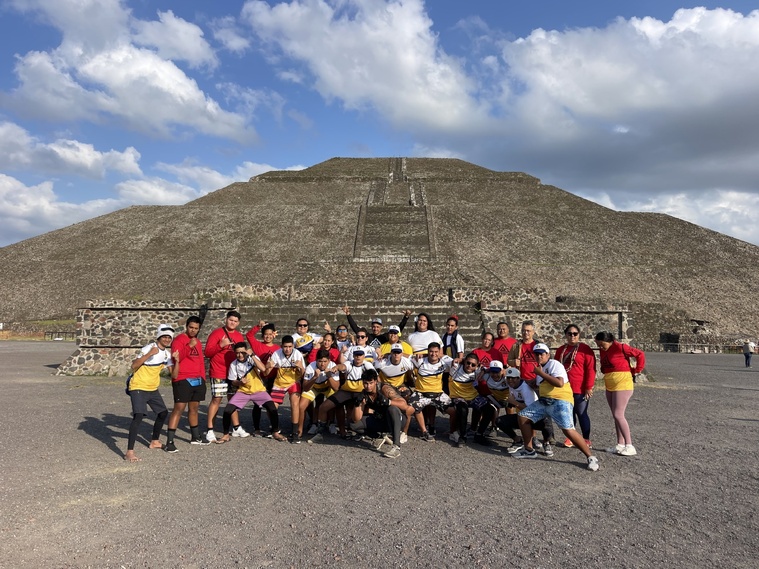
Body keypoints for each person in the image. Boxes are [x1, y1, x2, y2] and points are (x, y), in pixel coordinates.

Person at [512, 343, 599, 472]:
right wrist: (526, 382)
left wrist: (540, 373)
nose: (539, 356)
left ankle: (591, 457)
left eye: (541, 353)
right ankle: (529, 450)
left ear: (548, 354)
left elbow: (559, 383)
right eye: (536, 354)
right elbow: (540, 385)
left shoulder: (554, 364)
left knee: (568, 430)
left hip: (560, 400)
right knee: (523, 416)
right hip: (545, 401)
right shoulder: (540, 369)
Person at [124, 324, 176, 462]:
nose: (166, 339)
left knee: (163, 413)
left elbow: (173, 374)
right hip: (138, 386)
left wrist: (178, 361)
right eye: (164, 336)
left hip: (152, 388)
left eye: (169, 337)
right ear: (159, 336)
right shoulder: (149, 348)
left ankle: (154, 441)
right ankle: (129, 452)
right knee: (139, 416)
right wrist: (148, 355)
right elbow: (134, 365)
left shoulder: (167, 354)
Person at [594, 331, 645, 457]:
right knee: (615, 415)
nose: (600, 347)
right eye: (599, 345)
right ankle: (620, 444)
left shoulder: (620, 347)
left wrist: (637, 370)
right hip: (610, 383)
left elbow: (640, 354)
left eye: (602, 345)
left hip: (622, 383)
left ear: (609, 341)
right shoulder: (603, 350)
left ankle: (629, 445)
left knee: (618, 414)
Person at [222, 342, 286, 442]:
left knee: (272, 408)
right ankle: (225, 435)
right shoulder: (234, 364)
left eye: (242, 352)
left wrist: (252, 355)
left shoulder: (252, 358)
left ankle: (275, 432)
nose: (240, 355)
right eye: (237, 353)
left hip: (258, 390)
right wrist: (239, 382)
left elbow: (263, 368)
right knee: (227, 410)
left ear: (246, 351)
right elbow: (233, 381)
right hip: (243, 391)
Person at [309, 347, 375, 441]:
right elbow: (342, 366)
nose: (358, 357)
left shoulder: (367, 365)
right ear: (353, 355)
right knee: (324, 407)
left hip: (360, 392)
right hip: (346, 391)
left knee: (367, 407)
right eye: (356, 354)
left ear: (364, 356)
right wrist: (336, 367)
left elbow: (373, 378)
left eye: (360, 355)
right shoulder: (349, 363)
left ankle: (366, 432)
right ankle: (321, 432)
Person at [165, 316, 210, 452]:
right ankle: (170, 441)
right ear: (186, 326)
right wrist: (189, 347)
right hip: (182, 379)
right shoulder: (179, 340)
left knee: (194, 408)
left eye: (196, 328)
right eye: (191, 327)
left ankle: (195, 437)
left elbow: (200, 361)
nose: (193, 330)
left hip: (197, 379)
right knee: (179, 408)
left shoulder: (196, 340)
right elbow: (176, 359)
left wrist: (202, 377)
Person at [204, 310, 247, 442]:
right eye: (230, 320)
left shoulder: (239, 336)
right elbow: (207, 352)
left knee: (233, 400)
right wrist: (220, 345)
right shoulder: (217, 333)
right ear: (226, 320)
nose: (232, 323)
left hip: (233, 372)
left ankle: (236, 427)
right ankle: (210, 429)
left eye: (235, 321)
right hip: (219, 371)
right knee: (217, 399)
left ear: (238, 323)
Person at [350, 369, 414, 458]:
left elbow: (404, 405)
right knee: (353, 424)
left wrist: (388, 402)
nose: (368, 386)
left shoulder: (385, 389)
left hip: (397, 419)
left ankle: (396, 447)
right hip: (382, 420)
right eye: (365, 383)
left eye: (371, 383)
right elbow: (356, 419)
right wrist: (357, 404)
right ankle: (379, 436)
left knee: (392, 409)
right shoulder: (364, 394)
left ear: (376, 381)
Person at [554, 324, 596, 448]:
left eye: (575, 334)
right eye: (570, 334)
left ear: (579, 335)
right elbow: (555, 367)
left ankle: (586, 439)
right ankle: (571, 437)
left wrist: (589, 386)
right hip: (565, 387)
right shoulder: (561, 350)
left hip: (579, 387)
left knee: (581, 412)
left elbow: (591, 369)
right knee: (568, 413)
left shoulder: (585, 349)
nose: (572, 336)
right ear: (566, 335)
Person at [265, 335, 306, 443]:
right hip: (280, 382)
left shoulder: (297, 354)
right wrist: (268, 366)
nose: (287, 349)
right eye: (285, 347)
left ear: (293, 346)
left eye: (289, 346)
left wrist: (301, 367)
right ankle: (275, 428)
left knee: (295, 403)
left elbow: (303, 375)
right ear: (281, 346)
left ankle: (294, 432)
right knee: (271, 407)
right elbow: (266, 373)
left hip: (294, 381)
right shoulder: (276, 354)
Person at [410, 342, 455, 441]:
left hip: (438, 393)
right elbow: (405, 356)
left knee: (454, 411)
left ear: (439, 352)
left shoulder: (445, 361)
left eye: (436, 352)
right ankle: (424, 432)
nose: (433, 354)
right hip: (421, 392)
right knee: (413, 407)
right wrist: (387, 355)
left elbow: (458, 361)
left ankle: (452, 432)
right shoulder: (419, 360)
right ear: (427, 351)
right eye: (431, 352)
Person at [447, 353, 494, 447]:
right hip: (458, 396)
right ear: (464, 362)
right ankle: (463, 436)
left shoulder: (478, 370)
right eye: (468, 363)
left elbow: (489, 369)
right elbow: (440, 357)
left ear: (477, 366)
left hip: (473, 396)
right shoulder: (455, 366)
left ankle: (479, 434)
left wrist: (484, 370)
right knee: (463, 409)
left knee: (490, 409)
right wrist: (460, 359)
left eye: (473, 365)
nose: (470, 366)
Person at [299, 349, 340, 437]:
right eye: (320, 361)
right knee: (301, 406)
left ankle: (331, 423)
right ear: (316, 360)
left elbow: (336, 387)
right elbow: (305, 388)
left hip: (327, 387)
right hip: (314, 387)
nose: (322, 364)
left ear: (329, 361)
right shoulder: (311, 366)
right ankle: (299, 430)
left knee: (333, 401)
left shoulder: (333, 366)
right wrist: (315, 377)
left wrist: (329, 376)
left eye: (325, 361)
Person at [342, 306, 411, 349]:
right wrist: (348, 314)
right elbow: (355, 328)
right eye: (374, 327)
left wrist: (406, 317)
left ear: (381, 327)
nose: (375, 329)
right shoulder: (367, 336)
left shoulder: (385, 337)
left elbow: (398, 329)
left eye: (378, 327)